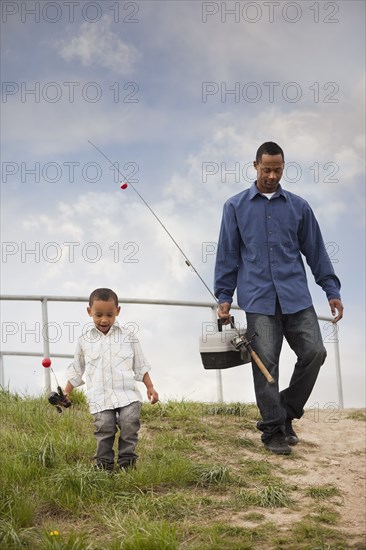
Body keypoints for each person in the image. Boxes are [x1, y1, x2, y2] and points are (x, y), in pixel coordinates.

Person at [214, 142, 343, 455]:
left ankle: (285, 412)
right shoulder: (235, 207)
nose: (272, 175)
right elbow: (227, 255)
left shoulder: (299, 207)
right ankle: (273, 431)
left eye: (278, 169)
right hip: (258, 301)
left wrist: (331, 290)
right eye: (266, 168)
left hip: (296, 297)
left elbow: (316, 251)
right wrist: (224, 296)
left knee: (315, 352)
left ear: (283, 168)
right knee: (266, 366)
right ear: (255, 165)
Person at [64, 288, 159, 471]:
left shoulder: (129, 337)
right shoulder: (84, 340)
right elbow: (77, 369)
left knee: (129, 424)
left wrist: (150, 387)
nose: (104, 320)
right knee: (104, 428)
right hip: (100, 396)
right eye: (98, 315)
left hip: (127, 395)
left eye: (109, 314)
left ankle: (127, 463)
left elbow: (140, 365)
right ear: (89, 312)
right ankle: (104, 465)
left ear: (118, 311)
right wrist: (67, 392)